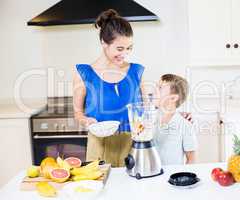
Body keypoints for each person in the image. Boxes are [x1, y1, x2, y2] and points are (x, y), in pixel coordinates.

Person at [73, 9, 144, 167]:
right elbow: (77, 112)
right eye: (120, 49)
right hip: (99, 144)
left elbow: (153, 105)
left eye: (129, 48)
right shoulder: (84, 73)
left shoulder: (137, 71)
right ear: (104, 43)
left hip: (132, 143)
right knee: (101, 188)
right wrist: (85, 120)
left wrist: (177, 113)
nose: (125, 54)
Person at [153, 74, 197, 165]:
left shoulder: (185, 124)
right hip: (151, 174)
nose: (154, 90)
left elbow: (191, 159)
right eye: (156, 86)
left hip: (172, 176)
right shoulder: (150, 118)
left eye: (160, 88)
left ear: (173, 98)